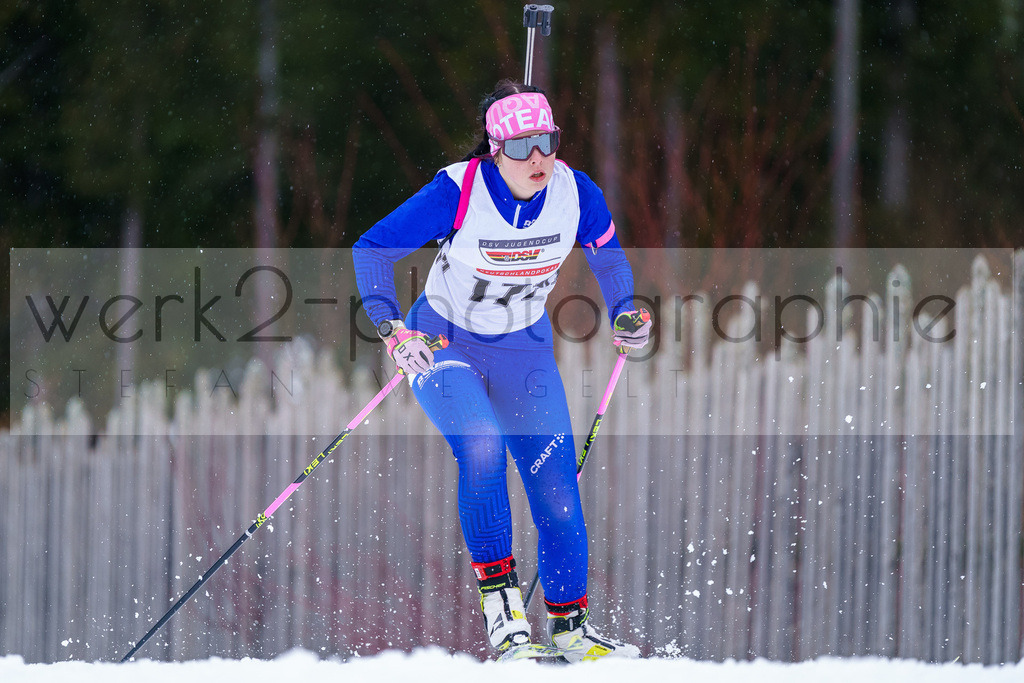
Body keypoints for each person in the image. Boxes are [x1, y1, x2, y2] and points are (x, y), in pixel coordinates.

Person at [352, 79, 651, 661]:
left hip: (525, 350)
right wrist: (393, 331)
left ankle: (571, 628)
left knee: (558, 490)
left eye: (546, 142)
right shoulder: (456, 191)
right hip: (443, 338)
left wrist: (625, 312)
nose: (536, 158)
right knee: (483, 446)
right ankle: (505, 613)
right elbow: (371, 248)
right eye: (520, 147)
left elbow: (610, 259)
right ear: (494, 150)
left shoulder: (576, 193)